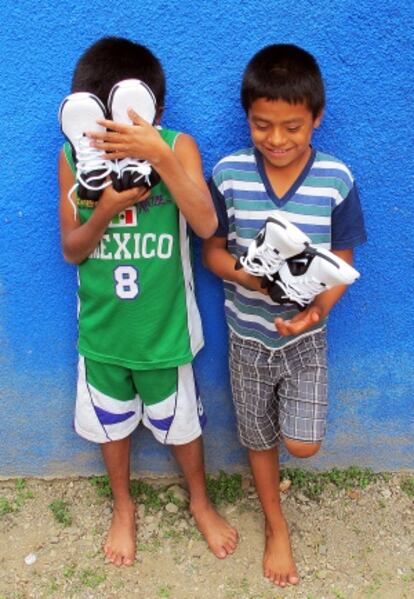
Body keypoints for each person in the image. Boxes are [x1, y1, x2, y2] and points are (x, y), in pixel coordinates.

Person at [59, 36, 237, 567]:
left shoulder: (177, 146)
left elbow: (207, 224)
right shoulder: (74, 158)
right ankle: (123, 506)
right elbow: (71, 250)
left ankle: (200, 502)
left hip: (166, 330)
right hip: (104, 331)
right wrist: (105, 208)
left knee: (182, 425)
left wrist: (157, 152)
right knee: (110, 427)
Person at [203, 44, 367, 587]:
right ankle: (276, 525)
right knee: (256, 437)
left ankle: (281, 473)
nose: (277, 139)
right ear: (247, 117)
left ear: (317, 118)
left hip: (306, 337)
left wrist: (314, 312)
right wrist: (246, 276)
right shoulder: (228, 174)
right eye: (262, 125)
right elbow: (212, 251)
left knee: (302, 443)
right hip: (245, 335)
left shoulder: (336, 179)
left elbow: (343, 261)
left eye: (293, 127)